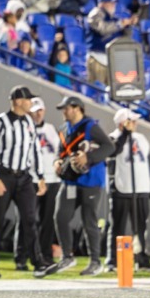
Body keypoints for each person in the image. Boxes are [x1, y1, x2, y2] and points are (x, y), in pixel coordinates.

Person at [0, 86, 53, 279]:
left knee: (30, 220)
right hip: (4, 176)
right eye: (28, 99)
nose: (31, 103)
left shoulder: (29, 123)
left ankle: (37, 263)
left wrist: (40, 176)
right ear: (18, 101)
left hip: (24, 177)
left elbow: (35, 151)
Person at [52, 96, 115, 276]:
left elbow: (109, 147)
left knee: (89, 221)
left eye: (66, 108)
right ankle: (67, 256)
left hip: (91, 181)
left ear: (77, 108)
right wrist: (57, 161)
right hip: (70, 180)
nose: (64, 112)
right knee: (60, 217)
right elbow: (61, 151)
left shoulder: (90, 126)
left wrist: (89, 158)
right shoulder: (64, 128)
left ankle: (95, 261)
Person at [105, 109, 150, 272]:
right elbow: (113, 152)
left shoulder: (141, 138)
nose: (135, 124)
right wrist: (124, 134)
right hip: (122, 188)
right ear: (122, 123)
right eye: (131, 121)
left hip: (141, 187)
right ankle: (113, 260)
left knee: (140, 228)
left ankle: (141, 258)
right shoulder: (113, 137)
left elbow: (149, 163)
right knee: (117, 227)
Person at [28, 97, 60, 267]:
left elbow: (58, 151)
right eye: (35, 111)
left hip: (52, 179)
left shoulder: (51, 130)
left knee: (48, 219)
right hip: (31, 179)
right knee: (29, 220)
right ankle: (27, 254)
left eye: (40, 110)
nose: (38, 114)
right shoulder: (24, 128)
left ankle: (46, 254)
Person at [85, 0, 138, 85]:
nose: (113, 5)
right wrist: (121, 24)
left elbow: (125, 37)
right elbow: (102, 29)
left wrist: (128, 25)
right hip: (97, 58)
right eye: (110, 3)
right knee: (97, 90)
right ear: (102, 4)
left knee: (110, 93)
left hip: (111, 60)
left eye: (113, 3)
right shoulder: (95, 13)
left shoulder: (113, 19)